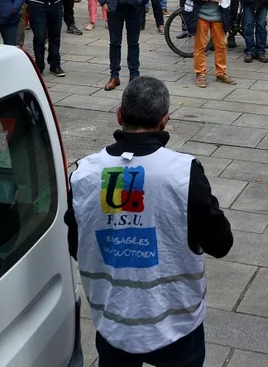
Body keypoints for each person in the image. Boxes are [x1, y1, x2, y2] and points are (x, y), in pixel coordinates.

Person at [69, 76, 232, 367]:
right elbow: (220, 244)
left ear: (119, 115)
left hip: (112, 319)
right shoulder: (184, 172)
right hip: (176, 323)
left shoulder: (84, 173)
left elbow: (75, 244)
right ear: (165, 120)